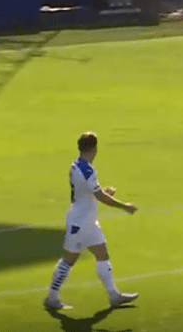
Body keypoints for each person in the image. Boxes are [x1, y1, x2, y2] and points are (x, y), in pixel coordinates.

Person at [44, 132, 140, 310]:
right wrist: (124, 206)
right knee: (69, 260)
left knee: (102, 254)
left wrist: (102, 193)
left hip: (85, 220)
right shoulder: (87, 170)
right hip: (81, 223)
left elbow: (88, 194)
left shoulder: (76, 165)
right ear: (94, 149)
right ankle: (51, 297)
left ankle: (113, 295)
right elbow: (100, 197)